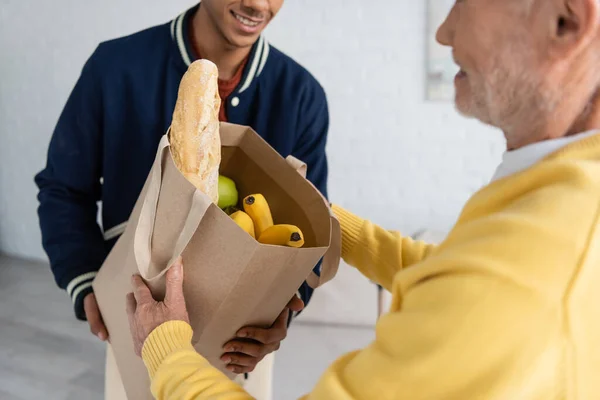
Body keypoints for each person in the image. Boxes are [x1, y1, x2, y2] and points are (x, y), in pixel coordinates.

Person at [126, 0, 600, 398]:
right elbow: (456, 275)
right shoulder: (567, 194)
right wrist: (335, 226)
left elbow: (480, 290)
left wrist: (166, 346)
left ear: (565, 22)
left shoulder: (521, 288)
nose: (444, 31)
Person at [34, 1, 329, 399]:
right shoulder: (114, 67)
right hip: (135, 328)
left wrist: (283, 314)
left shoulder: (302, 95)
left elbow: (310, 230)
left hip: (238, 351)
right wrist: (84, 281)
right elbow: (63, 188)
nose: (258, 4)